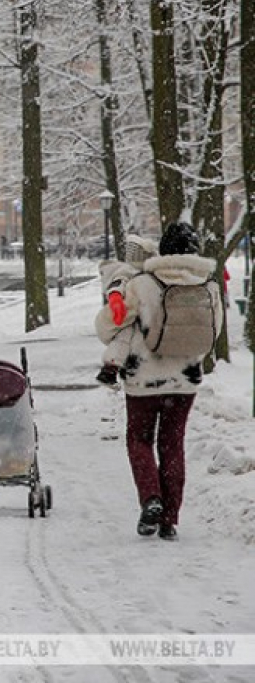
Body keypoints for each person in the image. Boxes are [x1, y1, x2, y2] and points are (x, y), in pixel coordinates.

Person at [97, 222, 222, 541]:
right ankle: (169, 519)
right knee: (172, 444)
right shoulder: (208, 286)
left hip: (143, 380)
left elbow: (109, 327)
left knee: (139, 440)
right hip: (184, 382)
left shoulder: (142, 284)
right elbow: (214, 331)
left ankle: (151, 497)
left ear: (163, 249)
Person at [94, 235, 157, 387]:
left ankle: (114, 366)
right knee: (127, 335)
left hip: (143, 312)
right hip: (134, 313)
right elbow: (119, 282)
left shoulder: (144, 272)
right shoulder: (129, 271)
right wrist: (116, 298)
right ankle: (113, 366)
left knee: (129, 337)